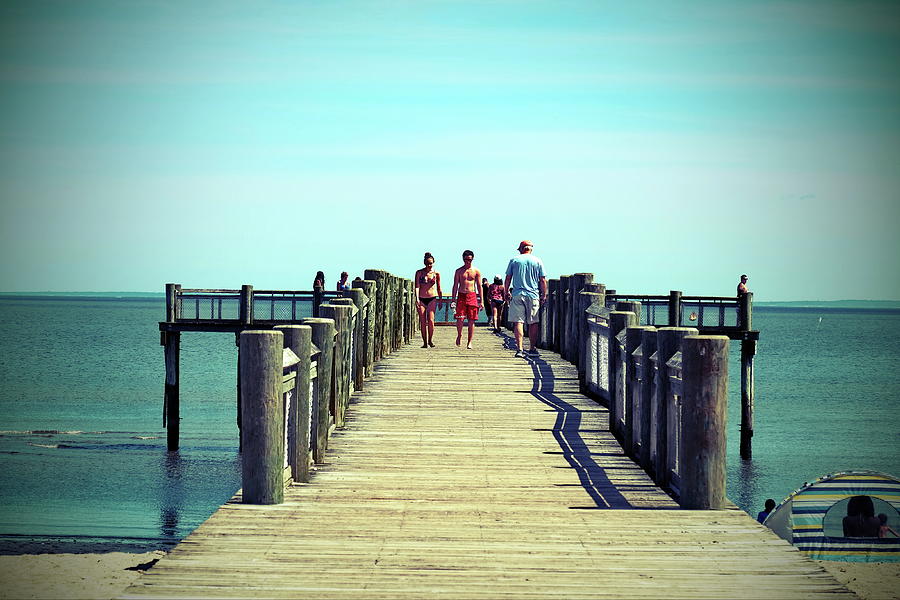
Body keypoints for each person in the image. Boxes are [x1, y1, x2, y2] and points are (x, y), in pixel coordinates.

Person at [504, 240, 547, 358]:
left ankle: (520, 349)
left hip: (517, 294)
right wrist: (544, 294)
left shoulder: (514, 260)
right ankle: (532, 348)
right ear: (530, 249)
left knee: (518, 322)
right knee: (533, 322)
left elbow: (508, 278)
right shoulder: (538, 261)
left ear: (522, 249)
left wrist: (506, 291)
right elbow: (542, 280)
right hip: (533, 295)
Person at [451, 249, 482, 349]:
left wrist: (482, 301)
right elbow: (455, 285)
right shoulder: (459, 271)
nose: (467, 262)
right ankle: (459, 334)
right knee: (460, 319)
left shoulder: (476, 271)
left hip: (472, 295)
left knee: (471, 320)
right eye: (466, 260)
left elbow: (479, 286)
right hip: (461, 295)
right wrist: (453, 300)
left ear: (472, 259)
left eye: (469, 260)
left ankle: (469, 342)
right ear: (463, 259)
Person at [414, 252, 442, 348]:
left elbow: (439, 288)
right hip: (421, 298)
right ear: (424, 263)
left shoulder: (436, 273)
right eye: (427, 263)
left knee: (430, 320)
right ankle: (425, 342)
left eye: (430, 263)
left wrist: (441, 300)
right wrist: (417, 298)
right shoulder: (419, 273)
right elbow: (417, 286)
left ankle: (430, 340)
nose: (429, 265)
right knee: (422, 321)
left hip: (432, 298)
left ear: (433, 262)